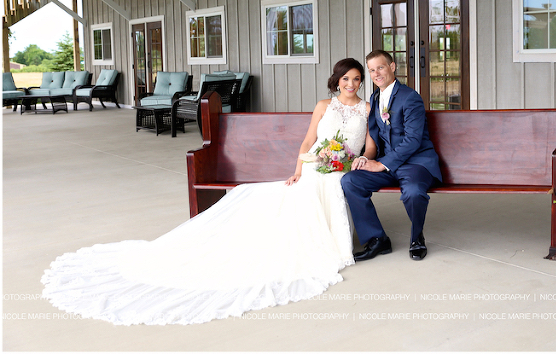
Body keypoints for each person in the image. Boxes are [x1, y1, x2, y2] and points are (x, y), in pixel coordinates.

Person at [41, 58, 376, 326]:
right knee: (309, 187)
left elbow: (371, 144)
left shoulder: (366, 108)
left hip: (345, 166)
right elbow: (307, 141)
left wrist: (359, 158)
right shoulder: (323, 105)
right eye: (346, 79)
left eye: (356, 79)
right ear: (336, 81)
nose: (351, 84)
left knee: (335, 182)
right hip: (316, 163)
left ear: (362, 82)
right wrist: (299, 167)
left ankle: (330, 235)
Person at [341, 50, 442, 261]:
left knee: (413, 192)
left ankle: (417, 238)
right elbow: (376, 137)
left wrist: (382, 164)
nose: (376, 73)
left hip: (415, 163)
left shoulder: (410, 97)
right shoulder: (375, 98)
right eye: (371, 70)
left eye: (380, 67)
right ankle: (377, 239)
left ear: (392, 67)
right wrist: (366, 159)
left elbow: (413, 140)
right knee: (351, 180)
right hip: (388, 165)